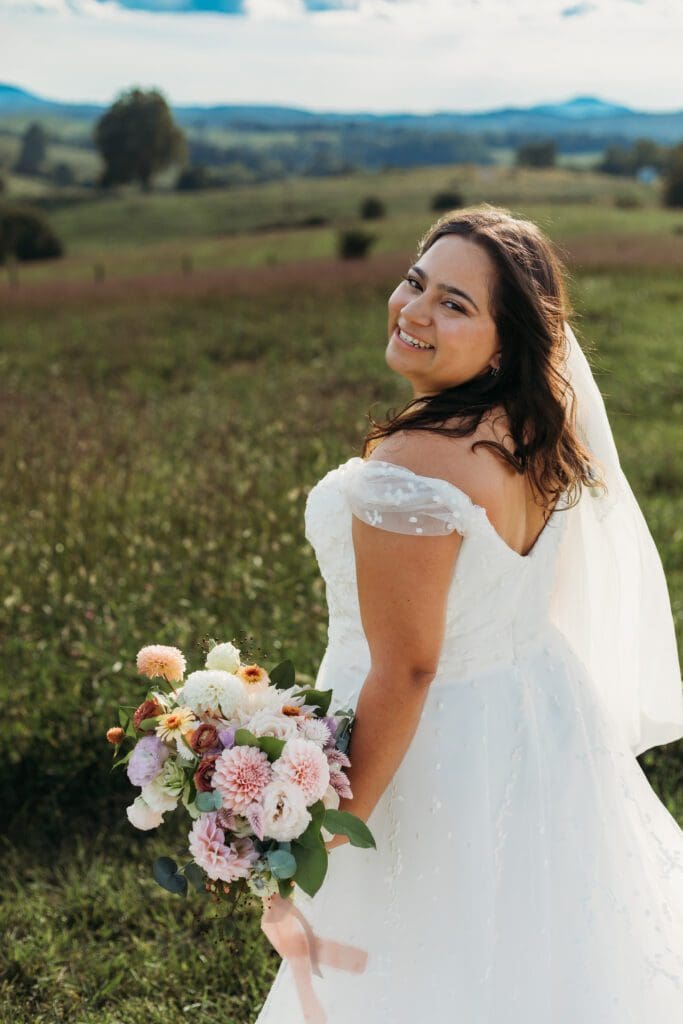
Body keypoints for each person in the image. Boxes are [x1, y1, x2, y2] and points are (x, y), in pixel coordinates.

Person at [255, 206, 683, 1022]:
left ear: (506, 340)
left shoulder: (412, 465)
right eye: (416, 282)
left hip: (425, 752)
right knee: (544, 950)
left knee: (415, 965)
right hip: (538, 720)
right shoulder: (531, 433)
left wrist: (328, 828)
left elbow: (408, 665)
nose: (414, 310)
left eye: (455, 304)